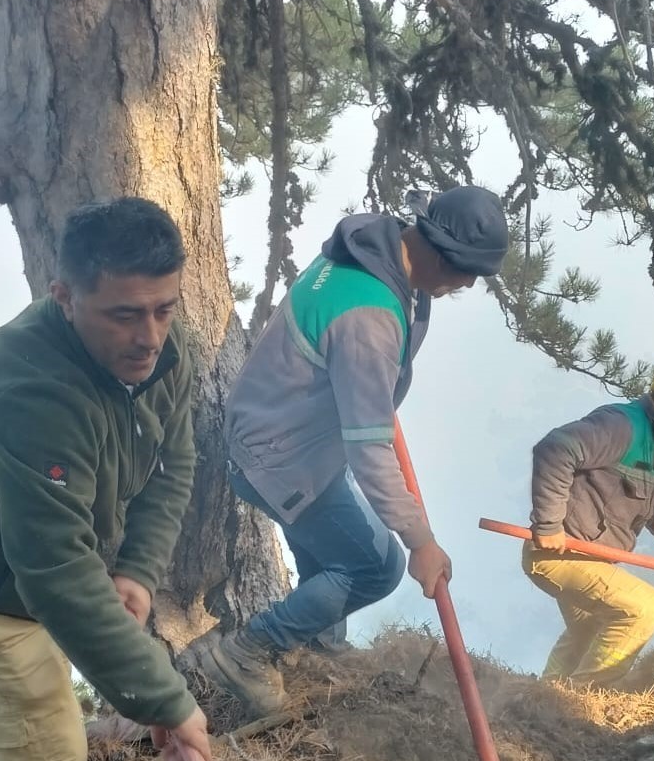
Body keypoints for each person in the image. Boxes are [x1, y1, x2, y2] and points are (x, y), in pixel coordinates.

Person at [0, 198, 212, 761]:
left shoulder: (166, 355)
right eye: (125, 314)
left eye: (164, 308)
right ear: (64, 297)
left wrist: (135, 569)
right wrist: (165, 700)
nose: (151, 336)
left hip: (40, 561)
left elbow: (174, 463)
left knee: (19, 721)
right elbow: (53, 572)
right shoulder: (30, 391)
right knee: (49, 747)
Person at [196, 185, 509, 717]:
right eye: (465, 271)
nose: (467, 284)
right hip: (283, 457)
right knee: (373, 567)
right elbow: (369, 450)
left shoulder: (371, 249)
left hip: (280, 432)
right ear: (435, 250)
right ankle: (248, 652)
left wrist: (373, 390)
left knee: (329, 556)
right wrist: (421, 541)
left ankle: (318, 650)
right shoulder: (370, 316)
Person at [523, 350, 654, 687]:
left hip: (591, 561)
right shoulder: (622, 425)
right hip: (561, 553)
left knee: (590, 631)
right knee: (643, 608)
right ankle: (578, 703)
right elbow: (556, 448)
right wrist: (549, 524)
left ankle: (539, 700)